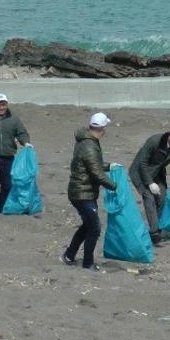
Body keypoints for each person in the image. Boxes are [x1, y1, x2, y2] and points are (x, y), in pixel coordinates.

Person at [62, 112, 118, 271]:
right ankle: (88, 263)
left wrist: (109, 166)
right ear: (102, 128)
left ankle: (69, 255)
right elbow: (96, 173)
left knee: (87, 225)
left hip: (83, 192)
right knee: (94, 228)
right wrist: (114, 186)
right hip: (82, 193)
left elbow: (94, 164)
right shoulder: (89, 145)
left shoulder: (88, 141)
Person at [130, 126, 170, 244]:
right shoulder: (154, 141)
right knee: (149, 198)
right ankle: (154, 232)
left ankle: (157, 226)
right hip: (139, 172)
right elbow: (142, 163)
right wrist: (149, 183)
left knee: (162, 198)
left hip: (157, 173)